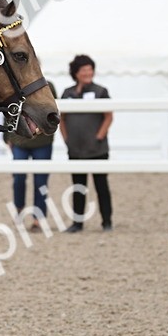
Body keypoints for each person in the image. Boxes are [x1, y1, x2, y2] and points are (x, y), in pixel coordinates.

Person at [60, 54, 113, 232]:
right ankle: (77, 222)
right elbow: (62, 119)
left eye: (90, 69)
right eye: (84, 69)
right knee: (78, 186)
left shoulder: (101, 91)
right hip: (75, 149)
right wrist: (66, 139)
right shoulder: (67, 93)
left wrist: (99, 137)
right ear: (76, 72)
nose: (88, 72)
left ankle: (107, 221)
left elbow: (108, 117)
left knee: (101, 186)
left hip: (97, 148)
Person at [6, 82, 57, 231]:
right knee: (18, 179)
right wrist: (7, 136)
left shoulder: (48, 86)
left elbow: (53, 111)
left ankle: (38, 219)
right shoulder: (13, 86)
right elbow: (8, 110)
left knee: (41, 181)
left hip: (42, 142)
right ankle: (19, 210)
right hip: (19, 140)